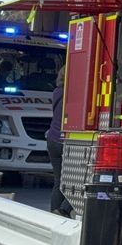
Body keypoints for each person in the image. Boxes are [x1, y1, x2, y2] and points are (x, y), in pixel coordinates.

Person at [46, 69, 71, 217]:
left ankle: (53, 215)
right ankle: (63, 210)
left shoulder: (57, 92)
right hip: (64, 140)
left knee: (59, 181)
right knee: (79, 180)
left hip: (52, 139)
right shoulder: (71, 95)